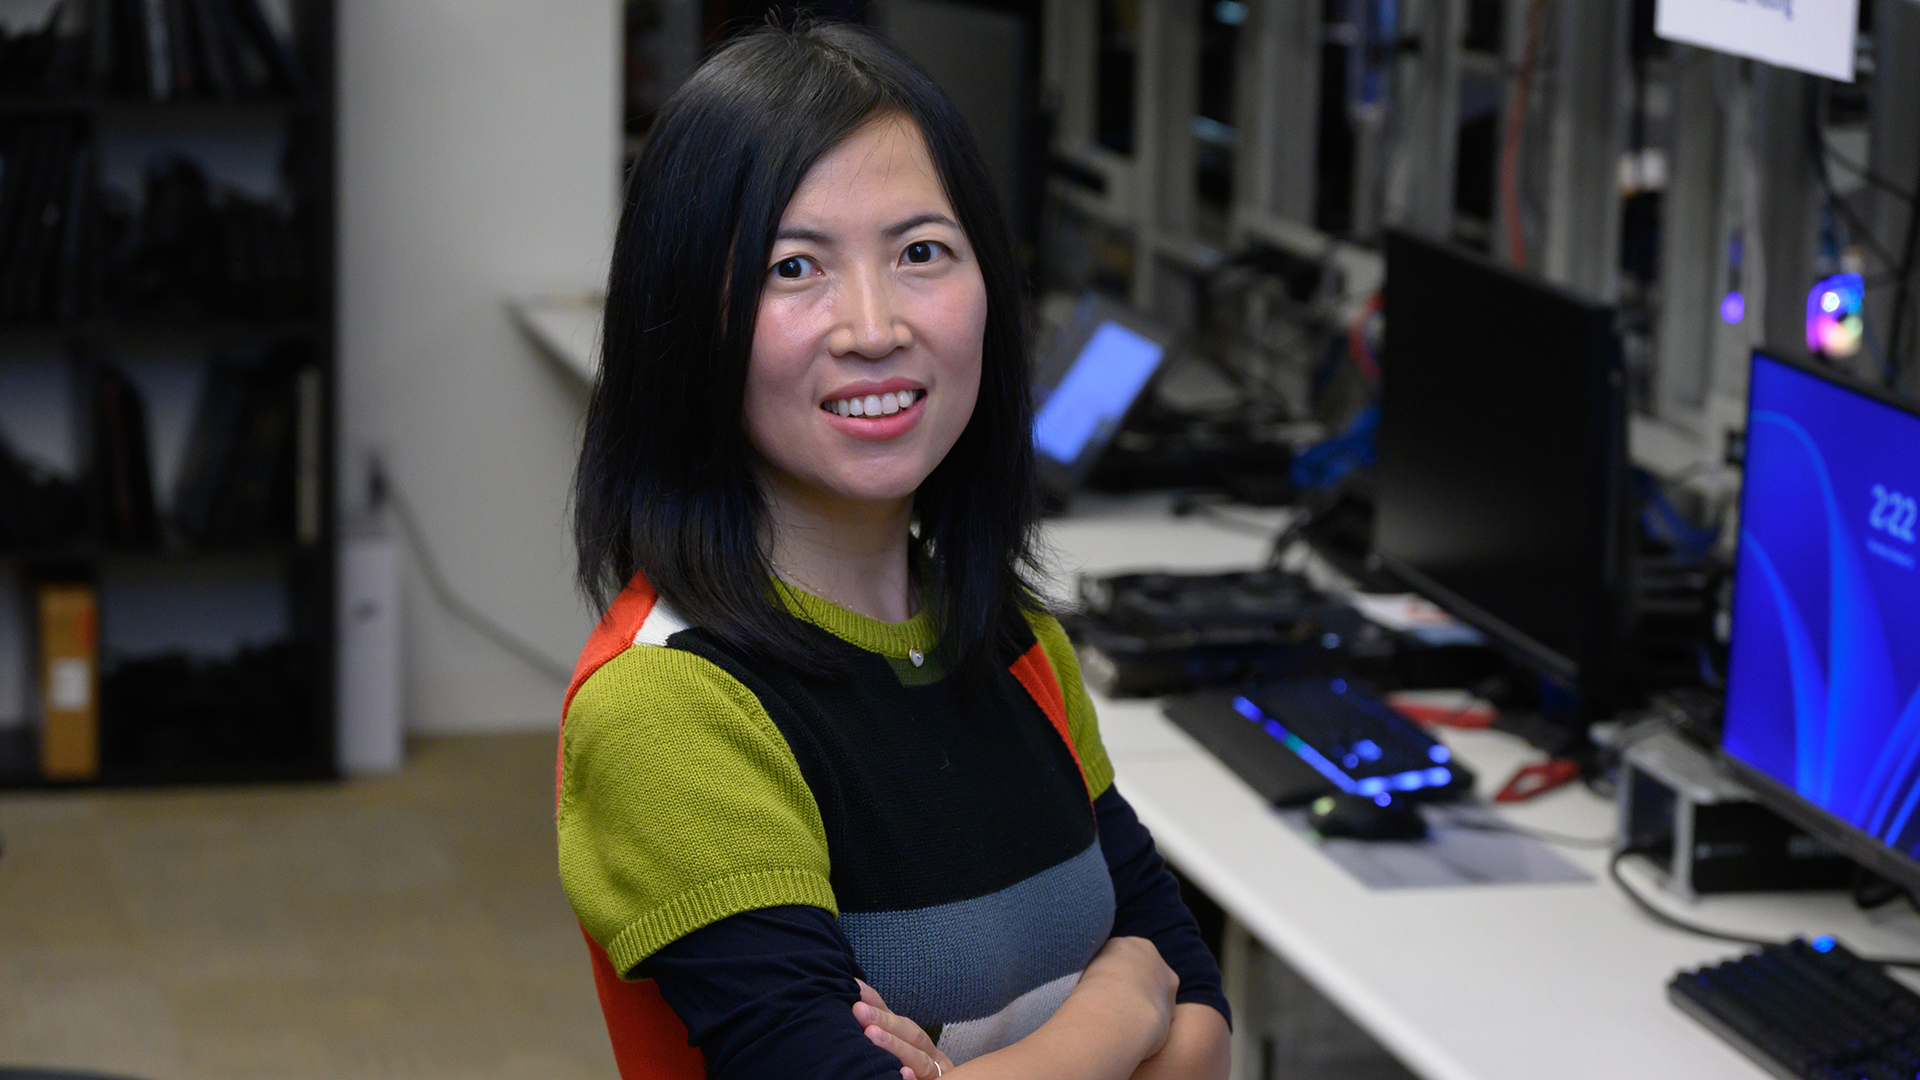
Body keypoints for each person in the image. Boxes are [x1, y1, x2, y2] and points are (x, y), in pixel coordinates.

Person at [560, 20, 1231, 1080]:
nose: (873, 326)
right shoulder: (672, 709)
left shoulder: (1012, 639)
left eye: (922, 252)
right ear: (687, 316)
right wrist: (1125, 997)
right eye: (795, 267)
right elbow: (1166, 993)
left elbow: (1207, 1038)